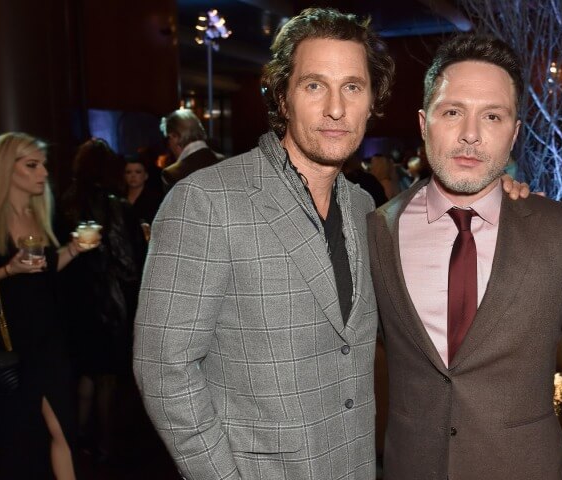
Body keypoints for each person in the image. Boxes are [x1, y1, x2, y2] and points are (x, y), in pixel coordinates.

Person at [133, 8, 394, 479]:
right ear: (282, 96)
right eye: (314, 85)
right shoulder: (206, 200)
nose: (336, 108)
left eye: (353, 87)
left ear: (371, 100)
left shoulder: (362, 207)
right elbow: (163, 369)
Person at [367, 34, 562, 480]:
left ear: (514, 132)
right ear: (424, 123)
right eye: (453, 112)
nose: (471, 134)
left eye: (492, 115)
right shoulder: (376, 230)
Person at [0, 132, 98, 479]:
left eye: (43, 165)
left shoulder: (42, 214)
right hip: (5, 342)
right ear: (6, 169)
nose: (44, 173)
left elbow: (46, 270)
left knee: (62, 428)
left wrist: (73, 250)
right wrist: (8, 270)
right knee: (18, 440)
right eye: (32, 165)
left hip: (47, 338)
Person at [58, 139, 146, 464]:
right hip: (109, 302)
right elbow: (128, 262)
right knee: (107, 377)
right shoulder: (115, 205)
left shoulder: (67, 201)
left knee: (85, 373)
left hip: (76, 300)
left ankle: (79, 440)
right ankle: (106, 447)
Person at [159, 109, 220, 191]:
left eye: (168, 138)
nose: (169, 145)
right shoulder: (227, 162)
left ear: (174, 136)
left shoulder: (172, 174)